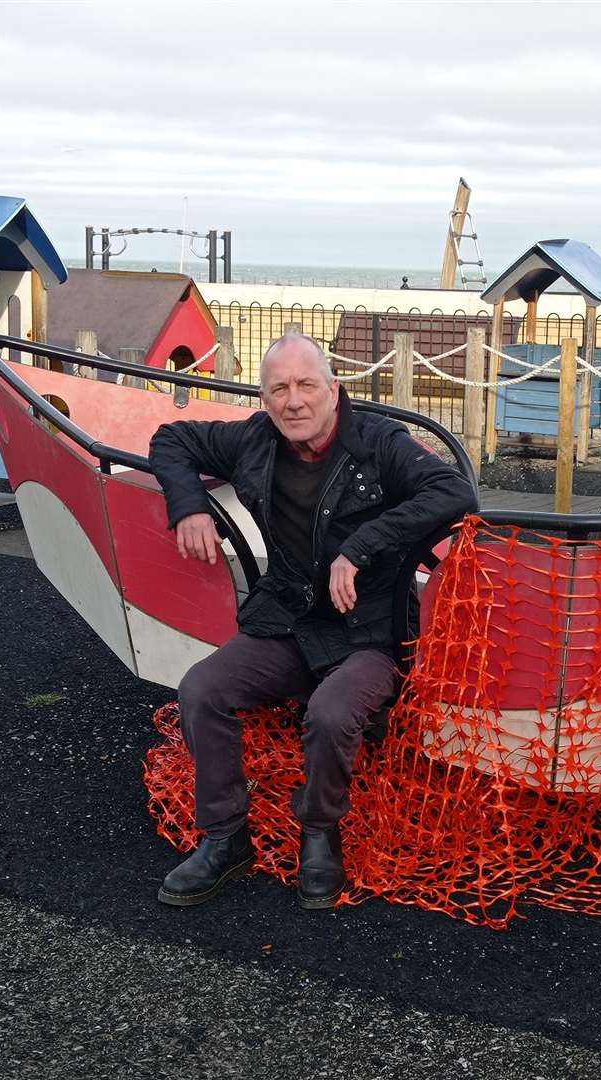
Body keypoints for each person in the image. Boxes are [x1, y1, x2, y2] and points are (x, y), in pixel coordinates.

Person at [148, 333, 476, 910]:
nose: (293, 401)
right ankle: (226, 838)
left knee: (330, 714)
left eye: (306, 386)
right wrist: (189, 505)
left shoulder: (377, 442)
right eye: (278, 389)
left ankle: (319, 831)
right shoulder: (253, 440)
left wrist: (361, 546)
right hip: (289, 623)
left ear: (333, 390)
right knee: (203, 689)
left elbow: (454, 490)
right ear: (265, 398)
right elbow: (171, 438)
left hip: (367, 633)